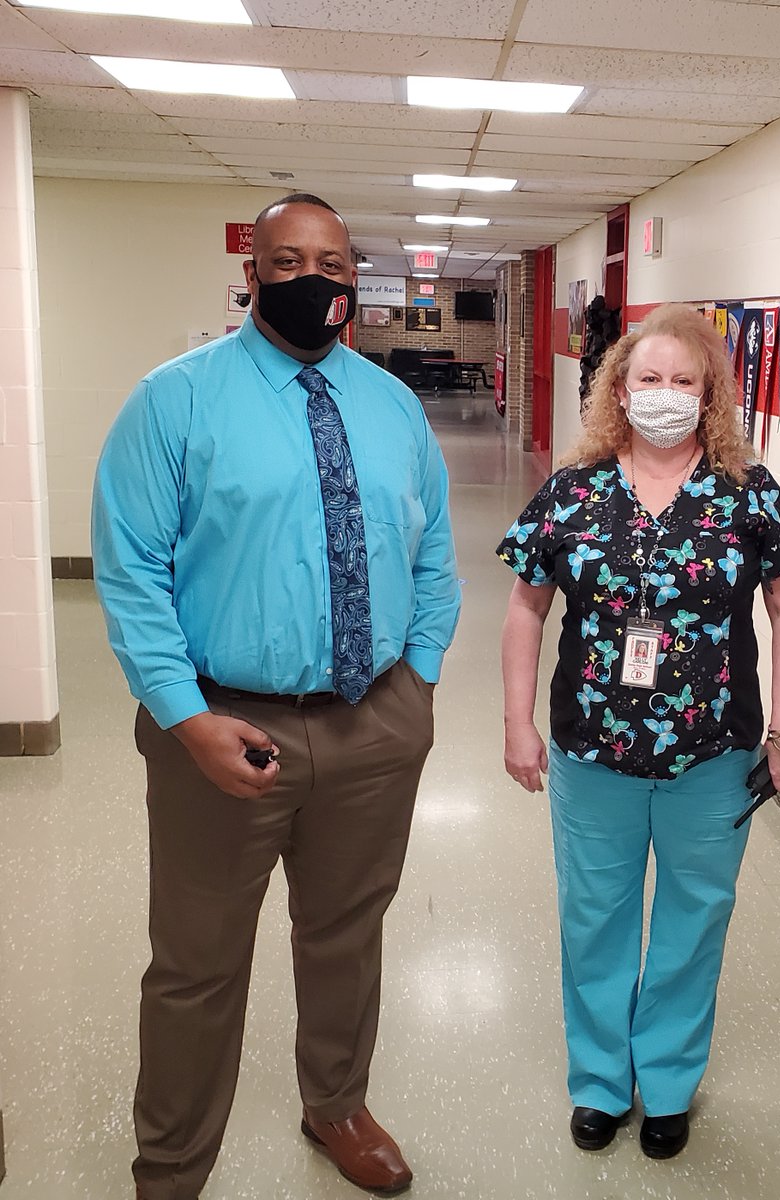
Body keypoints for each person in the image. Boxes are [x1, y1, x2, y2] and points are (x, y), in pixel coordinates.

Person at [92, 193, 460, 1199]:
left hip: (372, 722)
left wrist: (418, 684)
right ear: (251, 274)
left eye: (331, 263)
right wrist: (185, 718)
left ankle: (335, 1104)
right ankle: (171, 1167)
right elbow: (131, 572)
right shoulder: (175, 400)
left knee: (346, 936)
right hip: (223, 725)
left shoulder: (392, 406)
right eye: (288, 261)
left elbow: (433, 556)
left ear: (354, 279)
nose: (312, 280)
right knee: (198, 963)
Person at [497, 304, 780, 1159]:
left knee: (693, 920)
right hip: (590, 750)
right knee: (594, 917)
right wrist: (517, 723)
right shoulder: (574, 490)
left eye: (684, 380)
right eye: (649, 378)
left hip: (712, 755)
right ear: (620, 389)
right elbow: (526, 608)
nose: (665, 393)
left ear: (709, 395)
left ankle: (669, 1083)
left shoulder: (748, 492)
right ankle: (602, 1082)